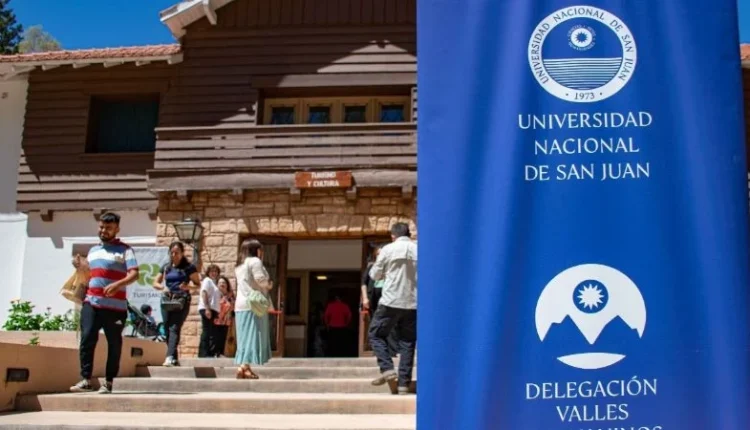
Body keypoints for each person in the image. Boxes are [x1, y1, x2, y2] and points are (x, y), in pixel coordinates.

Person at [70, 212, 139, 394]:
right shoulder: (93, 251)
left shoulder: (125, 250)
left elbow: (134, 274)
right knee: (86, 338)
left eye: (108, 228)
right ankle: (86, 379)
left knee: (114, 344)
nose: (103, 230)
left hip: (115, 308)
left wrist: (118, 285)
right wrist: (80, 266)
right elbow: (90, 274)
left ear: (117, 229)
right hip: (91, 303)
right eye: (101, 227)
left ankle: (108, 382)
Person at [368, 222, 417, 395]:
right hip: (413, 301)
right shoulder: (419, 249)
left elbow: (374, 275)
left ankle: (387, 369)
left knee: (375, 334)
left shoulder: (388, 249)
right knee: (407, 342)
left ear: (393, 236)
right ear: (409, 234)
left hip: (391, 300)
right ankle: (403, 385)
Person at [151, 241, 201, 367]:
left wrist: (187, 287)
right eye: (172, 252)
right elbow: (155, 283)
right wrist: (163, 288)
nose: (174, 255)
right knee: (167, 328)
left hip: (181, 300)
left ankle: (169, 357)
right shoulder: (166, 267)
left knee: (174, 327)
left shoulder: (189, 268)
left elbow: (197, 285)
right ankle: (174, 358)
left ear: (182, 253)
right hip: (167, 300)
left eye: (177, 252)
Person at [234, 239, 273, 379]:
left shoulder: (239, 265)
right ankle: (243, 367)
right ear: (256, 250)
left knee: (244, 337)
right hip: (254, 304)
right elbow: (260, 279)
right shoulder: (255, 261)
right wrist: (269, 284)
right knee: (253, 335)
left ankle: (245, 367)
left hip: (241, 304)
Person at [361, 245, 398, 357]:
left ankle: (392, 351)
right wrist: (365, 298)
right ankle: (379, 350)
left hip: (388, 298)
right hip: (373, 298)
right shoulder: (371, 267)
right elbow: (364, 283)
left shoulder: (391, 267)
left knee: (390, 323)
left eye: (382, 254)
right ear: (375, 255)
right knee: (375, 323)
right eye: (378, 254)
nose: (380, 256)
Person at [198, 265, 222, 358]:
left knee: (211, 332)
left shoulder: (214, 282)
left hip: (213, 310)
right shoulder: (207, 280)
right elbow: (204, 293)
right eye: (212, 271)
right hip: (207, 308)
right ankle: (203, 353)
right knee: (206, 331)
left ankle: (209, 353)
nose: (214, 273)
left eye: (216, 271)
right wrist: (207, 308)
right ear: (208, 272)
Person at [213, 276, 235, 358]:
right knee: (216, 336)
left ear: (227, 284)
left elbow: (233, 305)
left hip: (227, 318)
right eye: (220, 283)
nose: (222, 284)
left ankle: (220, 353)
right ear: (217, 284)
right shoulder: (216, 293)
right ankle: (215, 353)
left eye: (224, 282)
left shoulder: (231, 294)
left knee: (223, 336)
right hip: (217, 317)